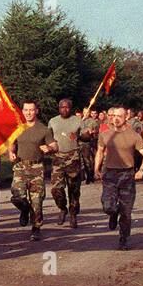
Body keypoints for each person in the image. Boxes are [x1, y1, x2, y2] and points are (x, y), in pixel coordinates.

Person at [94, 106, 143, 250]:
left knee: (126, 212)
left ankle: (123, 239)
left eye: (119, 116)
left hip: (127, 175)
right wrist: (96, 169)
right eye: (114, 116)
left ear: (126, 118)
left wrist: (141, 170)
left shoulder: (134, 136)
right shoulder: (105, 134)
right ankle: (112, 213)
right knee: (107, 206)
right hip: (110, 174)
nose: (116, 119)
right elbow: (99, 152)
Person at [7, 101, 56, 241]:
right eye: (26, 110)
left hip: (36, 168)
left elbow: (54, 145)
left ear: (37, 111)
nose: (28, 113)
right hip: (20, 167)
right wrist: (11, 153)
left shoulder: (43, 129)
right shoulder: (17, 127)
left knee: (37, 201)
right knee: (17, 196)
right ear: (22, 111)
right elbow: (11, 143)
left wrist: (50, 148)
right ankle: (24, 210)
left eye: (31, 110)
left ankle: (36, 228)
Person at [48, 97, 84, 227]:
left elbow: (86, 136)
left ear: (71, 108)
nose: (65, 109)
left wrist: (81, 136)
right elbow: (48, 137)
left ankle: (73, 214)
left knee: (74, 189)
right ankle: (62, 208)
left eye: (67, 107)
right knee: (56, 189)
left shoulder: (78, 121)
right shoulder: (53, 121)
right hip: (58, 158)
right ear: (59, 108)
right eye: (62, 107)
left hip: (73, 157)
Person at [79, 108, 100, 184]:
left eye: (87, 112)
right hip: (78, 142)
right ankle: (81, 176)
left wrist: (92, 131)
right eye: (84, 112)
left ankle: (89, 175)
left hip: (87, 143)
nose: (86, 114)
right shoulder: (79, 121)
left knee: (87, 160)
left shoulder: (92, 121)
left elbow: (97, 130)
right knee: (79, 160)